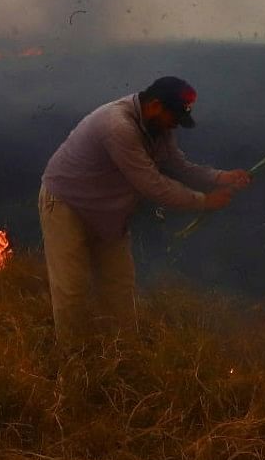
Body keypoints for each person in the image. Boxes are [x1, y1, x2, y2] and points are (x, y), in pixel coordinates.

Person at [39, 76, 252, 346]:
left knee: (120, 288)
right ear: (154, 105)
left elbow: (179, 166)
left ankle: (124, 356)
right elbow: (153, 185)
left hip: (109, 214)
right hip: (68, 204)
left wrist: (220, 178)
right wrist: (204, 201)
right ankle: (73, 362)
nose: (175, 125)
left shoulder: (159, 127)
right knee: (72, 290)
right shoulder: (117, 126)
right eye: (173, 117)